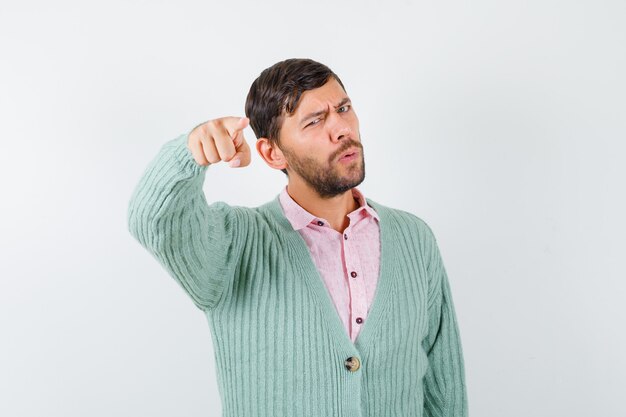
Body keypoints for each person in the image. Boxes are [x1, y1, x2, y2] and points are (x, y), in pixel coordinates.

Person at [127, 58, 468, 417]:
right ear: (272, 153)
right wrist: (189, 153)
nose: (341, 129)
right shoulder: (235, 245)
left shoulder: (414, 238)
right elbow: (153, 219)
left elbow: (444, 388)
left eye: (344, 108)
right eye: (315, 120)